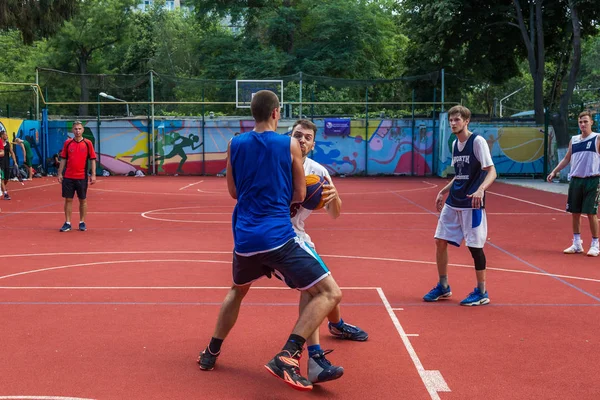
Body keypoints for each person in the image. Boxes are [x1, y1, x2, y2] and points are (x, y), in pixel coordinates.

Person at [197, 91, 342, 392]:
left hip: (245, 238)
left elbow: (234, 193)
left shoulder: (234, 144)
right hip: (277, 237)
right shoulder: (288, 144)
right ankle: (288, 355)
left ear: (252, 113)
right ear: (276, 113)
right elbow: (300, 196)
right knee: (328, 292)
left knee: (237, 291)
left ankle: (210, 352)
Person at [288, 119, 368, 382]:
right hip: (276, 236)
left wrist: (334, 197)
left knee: (323, 290)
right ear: (288, 136)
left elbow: (334, 214)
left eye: (307, 137)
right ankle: (315, 357)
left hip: (297, 236)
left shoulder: (318, 172)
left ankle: (336, 325)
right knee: (317, 290)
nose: (302, 140)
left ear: (313, 143)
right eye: (297, 135)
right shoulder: (276, 163)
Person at [423, 105, 497, 306]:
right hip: (453, 201)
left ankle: (482, 292)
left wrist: (481, 190)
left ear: (466, 121)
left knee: (475, 248)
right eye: (451, 120)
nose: (453, 123)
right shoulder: (455, 144)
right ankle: (443, 286)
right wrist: (443, 190)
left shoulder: (477, 142)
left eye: (457, 120)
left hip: (471, 203)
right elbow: (460, 174)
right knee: (439, 240)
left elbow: (492, 171)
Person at [547, 111, 600, 256]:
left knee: (591, 212)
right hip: (576, 180)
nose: (583, 124)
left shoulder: (597, 138)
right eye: (580, 122)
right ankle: (577, 243)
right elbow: (566, 158)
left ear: (591, 122)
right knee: (575, 213)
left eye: (585, 121)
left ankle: (595, 244)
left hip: (593, 180)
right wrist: (554, 171)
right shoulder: (574, 140)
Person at [57, 121, 97, 232]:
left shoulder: (88, 143)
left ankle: (82, 222)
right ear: (73, 130)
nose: (77, 131)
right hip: (69, 176)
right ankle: (68, 222)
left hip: (82, 177)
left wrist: (93, 174)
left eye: (79, 129)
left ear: (82, 130)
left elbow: (92, 159)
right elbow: (63, 159)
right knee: (68, 200)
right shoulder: (68, 143)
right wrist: (60, 173)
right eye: (75, 129)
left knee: (82, 200)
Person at [1, 130, 18, 200]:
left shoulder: (8, 144)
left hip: (7, 163)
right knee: (1, 179)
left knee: (6, 179)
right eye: (5, 135)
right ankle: (5, 193)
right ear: (2, 136)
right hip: (0, 164)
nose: (7, 136)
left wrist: (15, 162)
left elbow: (12, 152)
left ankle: (2, 188)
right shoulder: (0, 143)